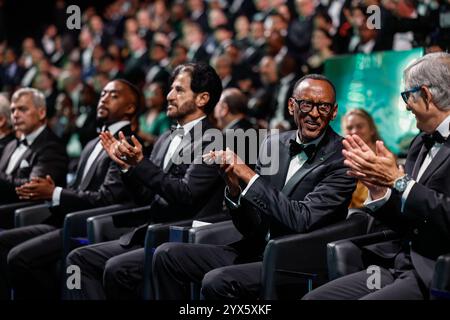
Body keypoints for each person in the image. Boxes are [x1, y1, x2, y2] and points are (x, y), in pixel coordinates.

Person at [152, 74, 356, 300]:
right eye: (307, 104)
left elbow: (302, 219)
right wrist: (234, 191)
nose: (315, 114)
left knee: (217, 281)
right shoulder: (272, 143)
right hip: (256, 248)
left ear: (334, 111)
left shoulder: (343, 158)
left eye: (324, 107)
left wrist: (248, 175)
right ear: (291, 105)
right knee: (166, 254)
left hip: (297, 259)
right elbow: (250, 226)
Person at [64, 62, 225, 300]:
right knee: (77, 259)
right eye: (171, 89)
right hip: (150, 231)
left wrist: (141, 164)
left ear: (202, 98)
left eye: (179, 90)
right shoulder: (165, 138)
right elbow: (145, 196)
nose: (169, 96)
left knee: (117, 269)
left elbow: (186, 194)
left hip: (179, 237)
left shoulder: (214, 140)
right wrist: (127, 168)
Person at [303, 52, 450, 300]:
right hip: (399, 262)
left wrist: (399, 181)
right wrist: (380, 190)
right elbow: (407, 217)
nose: (405, 105)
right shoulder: (419, 142)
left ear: (426, 94)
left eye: (407, 95)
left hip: (435, 270)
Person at [0, 79, 140, 300]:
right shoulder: (94, 143)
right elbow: (76, 190)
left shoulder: (129, 145)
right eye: (103, 93)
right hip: (65, 220)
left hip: (89, 226)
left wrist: (54, 192)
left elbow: (107, 198)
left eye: (113, 95)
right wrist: (55, 193)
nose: (104, 98)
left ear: (130, 108)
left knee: (19, 257)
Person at [0, 88, 67, 211]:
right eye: (13, 110)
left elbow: (33, 189)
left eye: (22, 109)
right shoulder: (11, 145)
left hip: (27, 215)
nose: (15, 115)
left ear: (41, 113)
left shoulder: (52, 147)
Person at [341, 108, 382, 208]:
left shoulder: (383, 158)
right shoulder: (340, 160)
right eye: (349, 128)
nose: (354, 131)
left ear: (371, 129)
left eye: (360, 126)